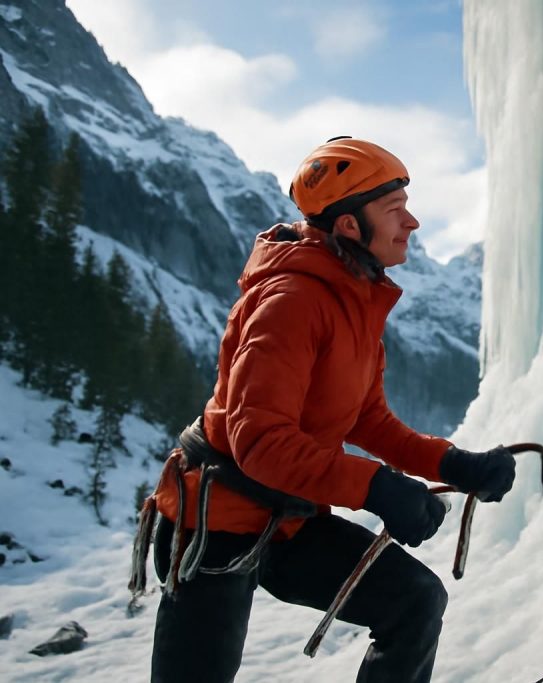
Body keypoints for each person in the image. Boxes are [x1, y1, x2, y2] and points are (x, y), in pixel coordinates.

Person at [147, 137, 517, 682]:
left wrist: (453, 464)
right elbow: (260, 442)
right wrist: (377, 488)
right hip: (215, 522)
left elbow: (367, 419)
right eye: (395, 210)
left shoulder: (354, 299)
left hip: (287, 518)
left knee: (412, 601)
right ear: (349, 226)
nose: (411, 222)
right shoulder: (292, 302)